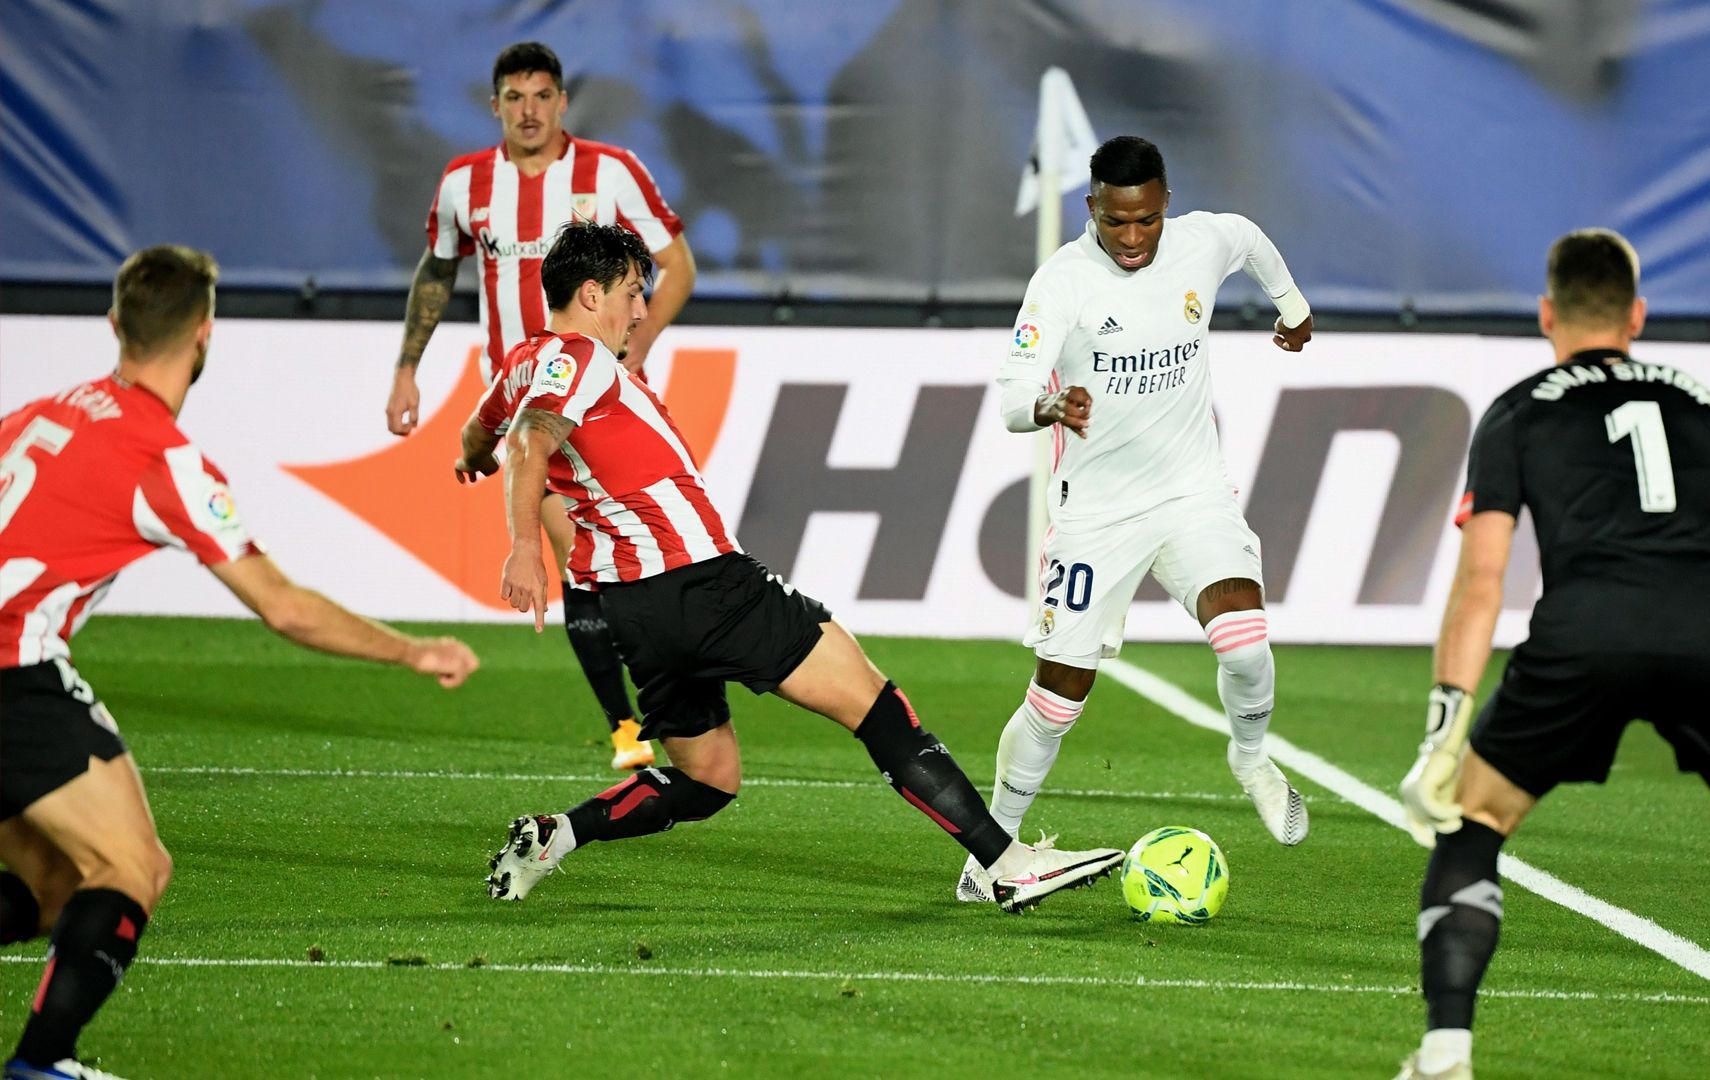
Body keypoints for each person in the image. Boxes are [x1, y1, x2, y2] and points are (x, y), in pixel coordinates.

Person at [454, 220, 1122, 912]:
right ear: (590, 294)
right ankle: (1005, 863)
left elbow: (485, 431)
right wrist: (526, 545)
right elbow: (531, 440)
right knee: (879, 708)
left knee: (709, 779)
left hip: (636, 611)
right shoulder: (581, 359)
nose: (642, 308)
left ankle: (554, 836)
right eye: (632, 290)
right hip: (700, 583)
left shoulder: (523, 364)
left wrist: (472, 459)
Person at [1394, 229, 1710, 1080]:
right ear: (1637, 316)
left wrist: (1445, 725)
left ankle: (1444, 1055)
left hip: (1589, 632)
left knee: (1473, 825)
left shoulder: (1518, 408)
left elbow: (1482, 582)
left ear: (1549, 314)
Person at [0, 246, 480, 1080]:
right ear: (205, 334)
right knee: (132, 867)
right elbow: (284, 606)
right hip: (13, 670)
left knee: (49, 886)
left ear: (115, 325)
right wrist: (413, 650)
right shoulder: (162, 457)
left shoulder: (37, 414)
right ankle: (41, 1066)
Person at [959, 135, 1316, 901]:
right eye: (1116, 222)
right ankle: (991, 850)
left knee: (1246, 642)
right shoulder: (1062, 281)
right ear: (1092, 208)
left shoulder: (1200, 243)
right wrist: (1051, 403)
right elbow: (1011, 390)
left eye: (1146, 221)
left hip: (1192, 491)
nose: (1131, 238)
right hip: (1097, 513)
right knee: (1057, 700)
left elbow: (1250, 239)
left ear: (1165, 207)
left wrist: (1293, 308)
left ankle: (1251, 759)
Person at [383, 41, 699, 772]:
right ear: (495, 106)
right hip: (532, 409)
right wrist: (407, 368)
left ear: (562, 102)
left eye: (542, 95)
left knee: (647, 556)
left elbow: (676, 262)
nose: (529, 111)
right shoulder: (467, 183)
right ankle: (626, 727)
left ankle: (671, 700)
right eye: (514, 97)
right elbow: (437, 270)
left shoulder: (610, 173)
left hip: (611, 401)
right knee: (580, 567)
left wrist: (639, 349)